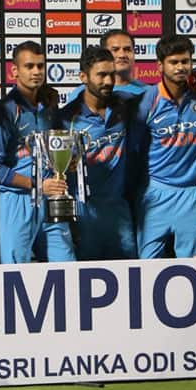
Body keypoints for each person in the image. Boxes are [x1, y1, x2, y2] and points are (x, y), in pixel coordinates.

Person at [0, 41, 75, 263]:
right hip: (17, 199)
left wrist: (67, 163)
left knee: (65, 266)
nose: (36, 72)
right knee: (16, 270)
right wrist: (37, 185)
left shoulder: (49, 106)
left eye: (40, 66)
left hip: (51, 195)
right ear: (14, 71)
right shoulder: (4, 110)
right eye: (29, 66)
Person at [135, 35, 196, 258]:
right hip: (157, 191)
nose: (181, 67)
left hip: (194, 193)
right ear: (160, 65)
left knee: (193, 265)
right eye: (174, 62)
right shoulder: (147, 100)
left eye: (185, 61)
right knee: (146, 264)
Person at [57, 46, 139, 260]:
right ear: (83, 77)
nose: (109, 81)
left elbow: (161, 97)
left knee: (130, 276)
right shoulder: (66, 118)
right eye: (101, 75)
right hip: (85, 211)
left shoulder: (126, 104)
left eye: (112, 74)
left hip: (119, 209)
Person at [101, 29, 149, 99]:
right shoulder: (85, 93)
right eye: (115, 50)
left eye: (127, 49)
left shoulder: (150, 94)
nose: (122, 55)